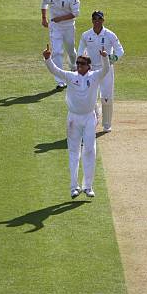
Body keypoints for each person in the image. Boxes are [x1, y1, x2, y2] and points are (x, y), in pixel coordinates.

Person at [42, 44, 109, 198]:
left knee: (90, 150)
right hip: (73, 118)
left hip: (89, 118)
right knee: (73, 152)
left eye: (82, 64)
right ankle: (74, 187)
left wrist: (104, 57)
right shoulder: (72, 77)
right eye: (77, 63)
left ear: (88, 66)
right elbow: (56, 70)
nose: (78, 66)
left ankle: (88, 186)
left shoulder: (94, 76)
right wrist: (47, 59)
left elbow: (106, 70)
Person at [78, 10, 125, 132]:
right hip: (91, 70)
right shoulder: (86, 35)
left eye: (99, 19)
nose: (97, 21)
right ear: (92, 20)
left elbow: (120, 51)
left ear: (103, 20)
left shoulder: (110, 35)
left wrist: (110, 59)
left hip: (106, 70)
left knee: (107, 97)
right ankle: (94, 119)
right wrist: (82, 65)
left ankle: (107, 125)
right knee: (90, 97)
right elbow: (80, 52)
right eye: (95, 19)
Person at [41, 0, 80, 90]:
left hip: (68, 27)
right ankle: (60, 80)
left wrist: (61, 18)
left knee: (71, 51)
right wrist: (44, 18)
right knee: (57, 52)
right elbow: (44, 4)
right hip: (55, 27)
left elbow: (76, 13)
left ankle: (73, 66)